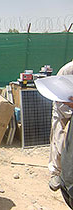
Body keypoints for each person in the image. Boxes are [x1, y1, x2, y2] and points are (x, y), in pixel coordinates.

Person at [48, 61, 73, 191]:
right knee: (59, 138)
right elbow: (60, 96)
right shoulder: (68, 71)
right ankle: (56, 173)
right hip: (63, 106)